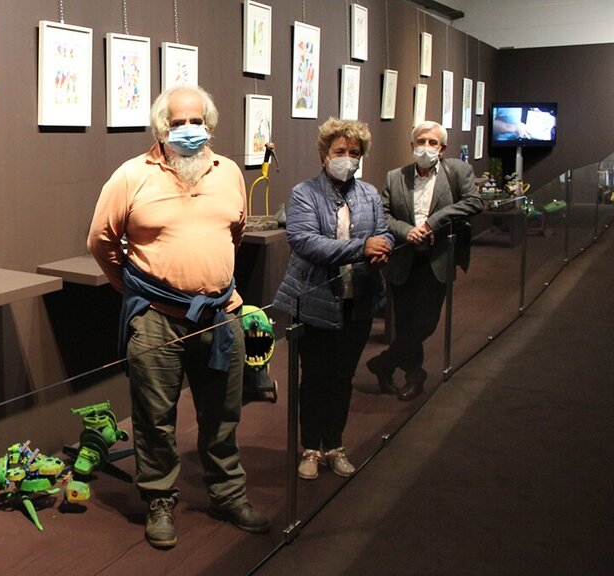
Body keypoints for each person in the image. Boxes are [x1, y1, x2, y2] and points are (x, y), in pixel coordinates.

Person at [87, 85, 270, 549]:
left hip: (221, 314)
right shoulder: (131, 175)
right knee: (154, 417)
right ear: (161, 129)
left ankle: (228, 495)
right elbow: (100, 241)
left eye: (196, 121)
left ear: (209, 124)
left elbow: (235, 231)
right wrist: (131, 287)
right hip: (156, 318)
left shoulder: (229, 172)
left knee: (223, 414)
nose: (188, 130)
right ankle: (159, 500)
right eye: (178, 122)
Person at [271, 118, 392, 481]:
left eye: (354, 152)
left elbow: (383, 231)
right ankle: (310, 447)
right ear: (324, 155)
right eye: (340, 151)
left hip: (359, 300)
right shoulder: (304, 193)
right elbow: (305, 241)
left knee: (343, 377)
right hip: (315, 301)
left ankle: (334, 445)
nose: (347, 158)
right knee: (315, 378)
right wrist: (362, 247)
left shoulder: (369, 194)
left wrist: (383, 246)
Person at [367, 121, 484, 401]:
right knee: (405, 323)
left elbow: (474, 202)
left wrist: (433, 222)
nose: (426, 147)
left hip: (437, 259)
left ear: (442, 149)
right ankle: (414, 376)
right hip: (403, 260)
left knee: (426, 323)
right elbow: (383, 215)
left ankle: (383, 362)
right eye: (421, 141)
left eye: (433, 143)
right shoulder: (395, 177)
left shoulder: (458, 171)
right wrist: (406, 231)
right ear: (412, 145)